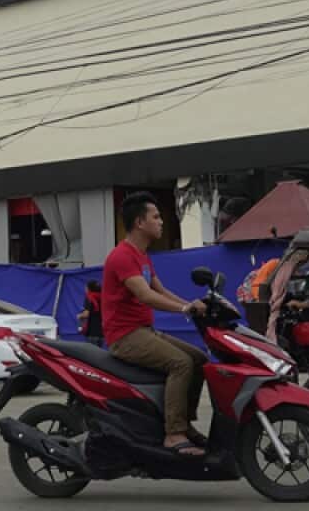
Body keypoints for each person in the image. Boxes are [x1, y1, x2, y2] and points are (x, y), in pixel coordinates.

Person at [104, 192, 209, 457]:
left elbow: (160, 290)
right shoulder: (122, 256)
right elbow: (146, 295)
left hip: (143, 331)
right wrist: (184, 308)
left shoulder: (142, 256)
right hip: (125, 336)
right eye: (156, 217)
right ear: (140, 222)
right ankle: (174, 434)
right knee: (180, 363)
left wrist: (192, 304)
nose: (162, 222)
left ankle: (185, 423)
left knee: (198, 358)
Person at [77, 280, 104, 347]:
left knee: (92, 353)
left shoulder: (90, 297)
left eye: (86, 287)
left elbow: (87, 314)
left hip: (92, 331)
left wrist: (79, 316)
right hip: (102, 332)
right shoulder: (103, 297)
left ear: (89, 288)